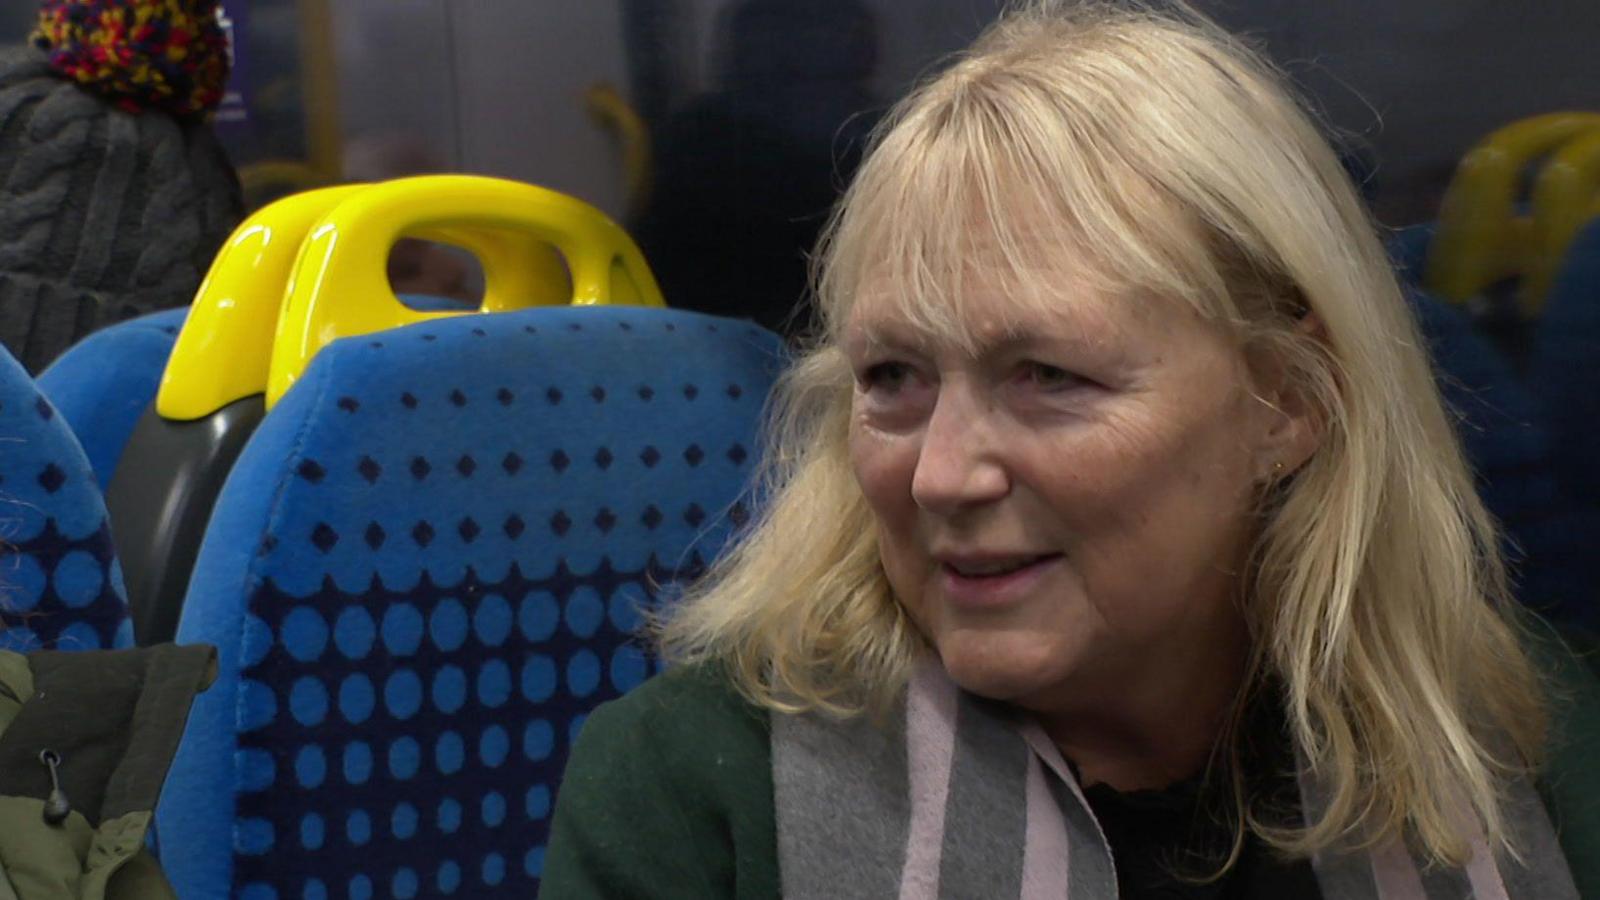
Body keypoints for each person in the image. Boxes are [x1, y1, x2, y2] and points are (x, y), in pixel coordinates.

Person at [541, 2, 1600, 897]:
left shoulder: (1521, 733)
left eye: (1048, 377)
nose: (942, 475)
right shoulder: (694, 797)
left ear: (1286, 399)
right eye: (893, 379)